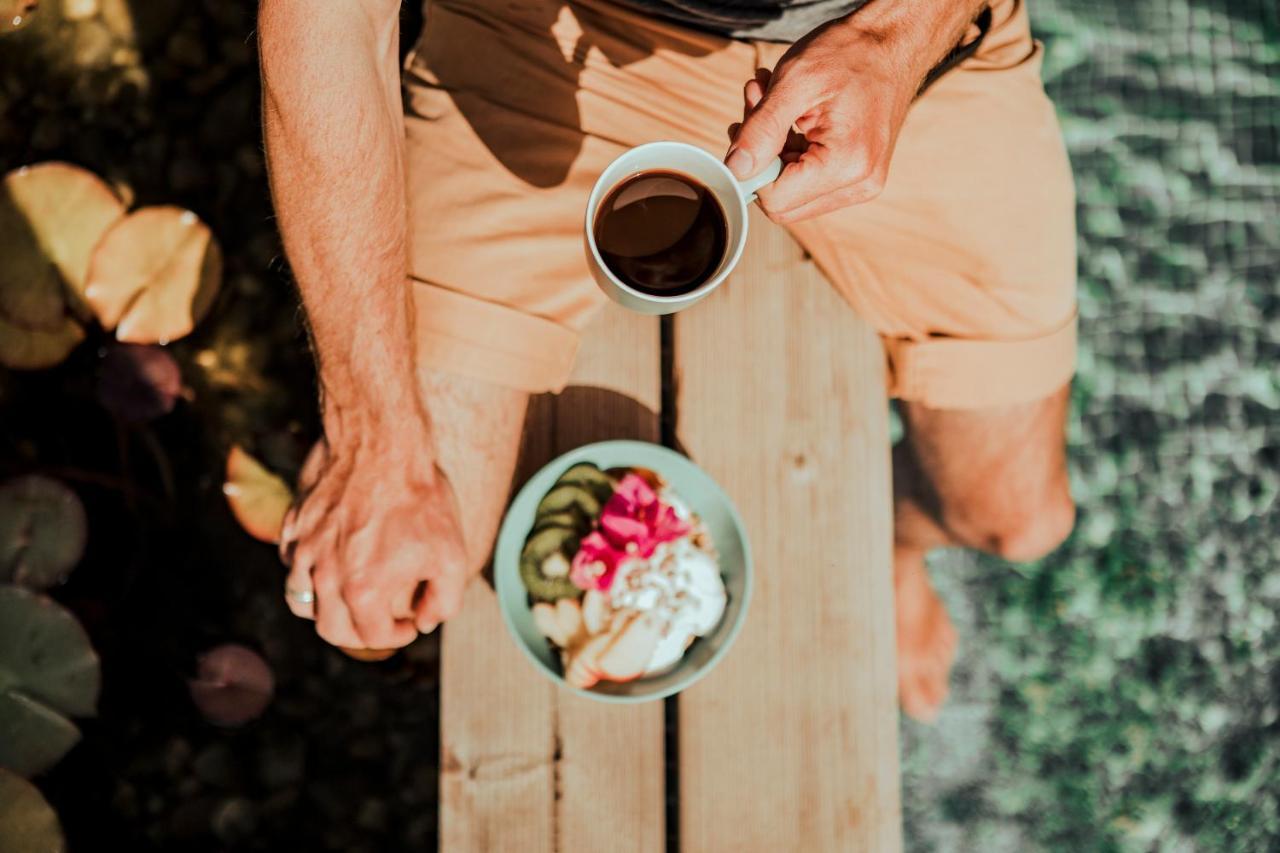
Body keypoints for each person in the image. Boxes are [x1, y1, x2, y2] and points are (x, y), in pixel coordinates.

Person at [258, 0, 1076, 721]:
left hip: (911, 60)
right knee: (389, 587)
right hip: (553, 34)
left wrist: (899, 36)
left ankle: (896, 539)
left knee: (1016, 518)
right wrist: (373, 439)